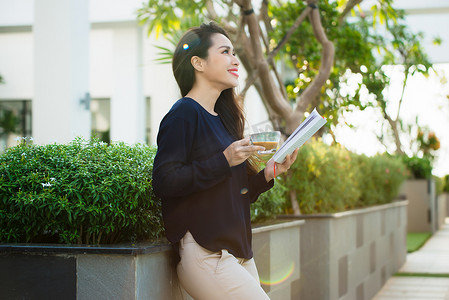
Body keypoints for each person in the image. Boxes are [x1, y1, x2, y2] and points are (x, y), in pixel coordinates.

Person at [152, 22, 299, 300]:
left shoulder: (226, 121)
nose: (235, 60)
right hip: (206, 254)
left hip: (238, 255)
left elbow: (236, 193)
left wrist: (268, 174)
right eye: (225, 52)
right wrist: (224, 160)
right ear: (198, 62)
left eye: (234, 53)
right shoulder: (184, 113)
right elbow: (164, 181)